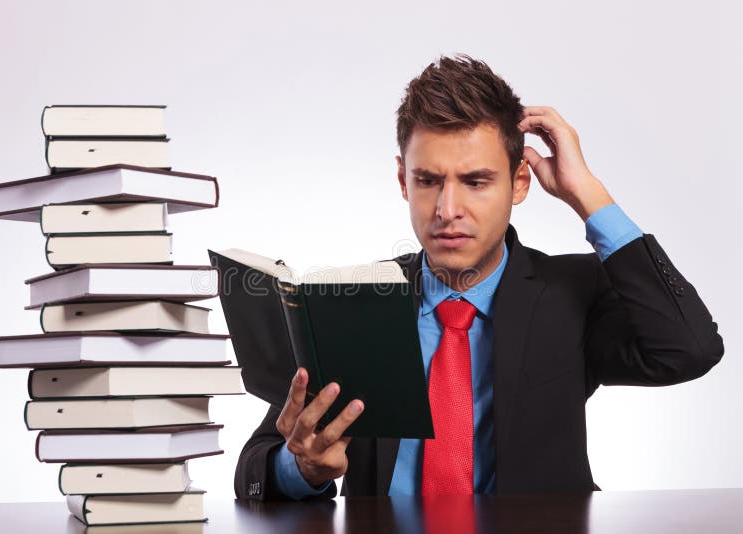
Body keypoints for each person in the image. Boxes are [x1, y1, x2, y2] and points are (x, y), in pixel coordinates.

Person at [234, 54, 724, 499]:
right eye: (428, 181)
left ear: (519, 183)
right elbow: (253, 471)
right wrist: (304, 469)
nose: (448, 210)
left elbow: (688, 349)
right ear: (404, 181)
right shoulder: (352, 305)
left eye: (476, 181)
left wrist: (587, 194)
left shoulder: (572, 293)